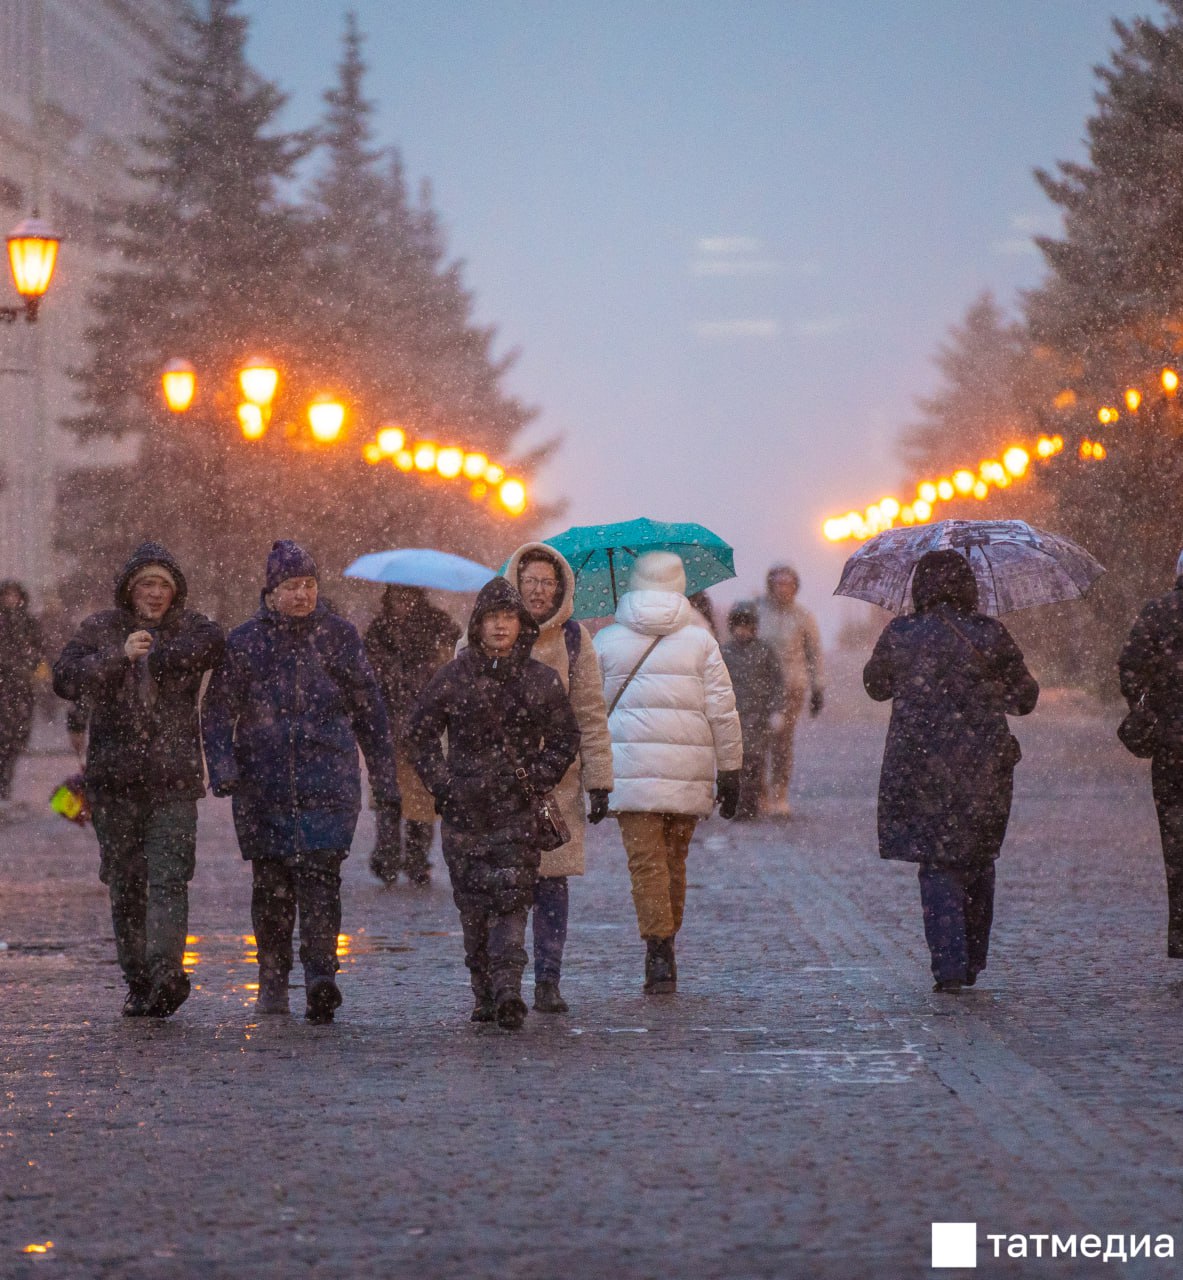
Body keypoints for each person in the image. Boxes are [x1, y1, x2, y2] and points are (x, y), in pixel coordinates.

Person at [202, 540, 399, 1024]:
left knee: (320, 879)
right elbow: (218, 709)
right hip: (261, 785)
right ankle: (272, 979)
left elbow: (369, 709)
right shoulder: (245, 642)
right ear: (271, 592)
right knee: (271, 886)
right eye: (292, 586)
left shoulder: (340, 637)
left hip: (328, 781)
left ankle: (319, 977)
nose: (302, 594)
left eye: (309, 585)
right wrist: (223, 765)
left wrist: (383, 773)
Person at [53, 543, 224, 1017]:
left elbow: (215, 642)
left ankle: (167, 972)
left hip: (173, 780)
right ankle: (139, 979)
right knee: (126, 882)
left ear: (176, 592)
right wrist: (119, 656)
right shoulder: (101, 629)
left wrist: (163, 653)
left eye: (163, 585)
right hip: (114, 782)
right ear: (130, 590)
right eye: (146, 585)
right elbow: (65, 677)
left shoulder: (191, 627)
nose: (154, 593)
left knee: (170, 877)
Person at [407, 577, 581, 1031]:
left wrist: (536, 779)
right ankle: (483, 990)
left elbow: (564, 738)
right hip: (464, 810)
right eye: (492, 618)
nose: (500, 626)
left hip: (515, 809)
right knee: (473, 903)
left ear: (521, 624)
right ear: (478, 625)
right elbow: (418, 735)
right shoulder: (453, 677)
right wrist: (444, 784)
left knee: (512, 898)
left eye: (508, 617)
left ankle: (508, 988)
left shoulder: (540, 679)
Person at [864, 549, 1038, 993]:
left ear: (919, 586)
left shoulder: (900, 632)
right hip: (983, 763)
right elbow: (1025, 699)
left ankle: (950, 965)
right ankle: (973, 957)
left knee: (938, 861)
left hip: (919, 761)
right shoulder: (990, 634)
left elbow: (876, 686)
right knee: (978, 857)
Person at [593, 551, 743, 994]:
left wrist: (591, 775)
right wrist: (731, 770)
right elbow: (723, 711)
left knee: (646, 863)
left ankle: (658, 946)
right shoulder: (702, 641)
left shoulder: (606, 641)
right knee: (675, 859)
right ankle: (666, 940)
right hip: (688, 769)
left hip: (629, 771)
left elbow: (590, 711)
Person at [496, 541, 613, 1013]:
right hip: (497, 783)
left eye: (547, 583)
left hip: (555, 782)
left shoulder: (573, 639)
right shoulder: (485, 630)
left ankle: (548, 979)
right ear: (515, 585)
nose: (539, 592)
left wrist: (599, 777)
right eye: (530, 583)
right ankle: (504, 983)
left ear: (560, 587)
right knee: (503, 886)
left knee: (551, 884)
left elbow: (589, 709)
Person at [364, 585, 460, 886]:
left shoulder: (438, 626)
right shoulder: (379, 631)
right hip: (389, 726)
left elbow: (450, 667)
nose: (402, 603)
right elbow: (368, 675)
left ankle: (417, 859)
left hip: (424, 729)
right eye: (397, 597)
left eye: (408, 597)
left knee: (421, 799)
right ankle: (388, 857)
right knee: (388, 796)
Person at [1119, 548, 1183, 958]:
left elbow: (1129, 668)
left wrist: (1144, 705)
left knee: (1176, 844)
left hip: (1173, 747)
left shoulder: (1160, 612)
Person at [756, 565, 824, 817]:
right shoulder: (759, 611)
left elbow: (814, 653)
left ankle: (779, 793)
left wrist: (818, 687)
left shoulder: (803, 617)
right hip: (760, 686)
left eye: (788, 584)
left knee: (782, 741)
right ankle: (759, 792)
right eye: (779, 583)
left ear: (795, 587)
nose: (783, 588)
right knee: (757, 741)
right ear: (770, 585)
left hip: (791, 687)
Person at [721, 602, 784, 820]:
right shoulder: (724, 652)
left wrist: (777, 710)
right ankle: (734, 803)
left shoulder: (765, 651)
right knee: (733, 763)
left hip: (759, 717)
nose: (742, 631)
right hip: (732, 717)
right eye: (738, 626)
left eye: (747, 626)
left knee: (754, 762)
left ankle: (749, 805)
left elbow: (778, 682)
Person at [0, 580, 42, 807]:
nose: (10, 599)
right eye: (6, 595)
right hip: (3, 687)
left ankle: (5, 784)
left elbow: (39, 650)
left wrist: (31, 667)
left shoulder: (29, 623)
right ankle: (2, 786)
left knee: (17, 736)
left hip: (22, 689)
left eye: (14, 595)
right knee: (4, 737)